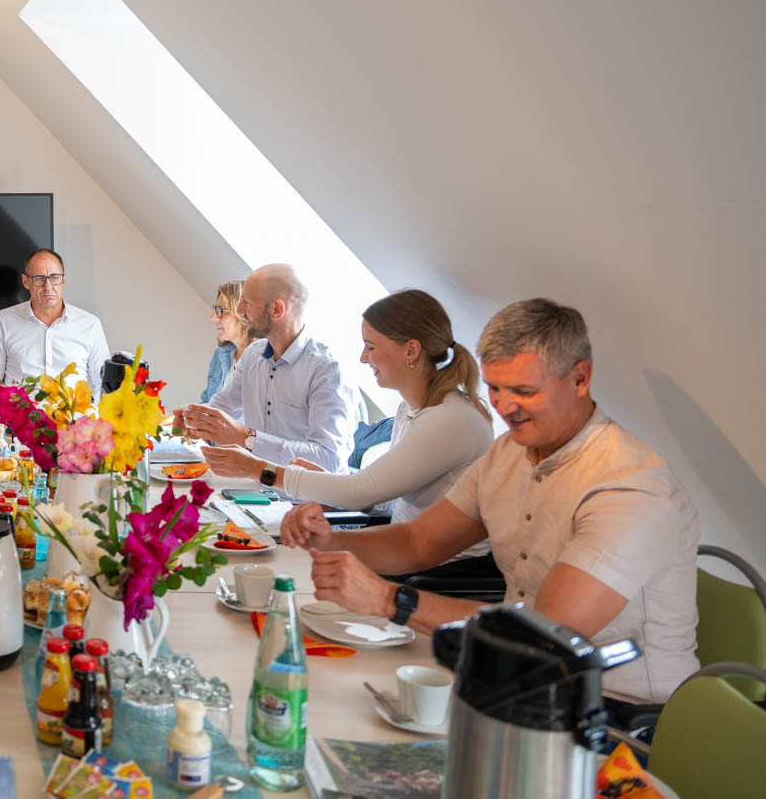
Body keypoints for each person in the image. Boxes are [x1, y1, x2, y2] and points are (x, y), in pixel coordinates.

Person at [283, 298, 699, 704]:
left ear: (580, 379)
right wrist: (330, 541)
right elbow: (418, 543)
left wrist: (388, 599)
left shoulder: (630, 487)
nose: (506, 407)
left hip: (613, 709)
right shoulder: (509, 454)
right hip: (517, 676)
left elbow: (546, 631)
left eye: (525, 391)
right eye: (496, 388)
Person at [202, 289, 497, 573]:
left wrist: (262, 470)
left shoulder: (450, 419)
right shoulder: (411, 409)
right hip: (398, 549)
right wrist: (328, 484)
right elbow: (385, 497)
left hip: (440, 571)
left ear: (411, 350)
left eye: (371, 347)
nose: (363, 358)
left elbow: (359, 493)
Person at [177, 263, 359, 472]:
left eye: (247, 302)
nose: (240, 310)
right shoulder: (253, 356)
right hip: (255, 490)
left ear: (276, 309)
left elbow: (329, 459)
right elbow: (222, 407)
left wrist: (248, 439)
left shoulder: (327, 370)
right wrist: (192, 419)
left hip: (303, 499)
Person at [0, 248, 110, 388]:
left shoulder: (90, 325)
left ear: (63, 280)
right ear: (25, 282)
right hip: (21, 409)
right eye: (39, 279)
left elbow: (103, 385)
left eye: (54, 277)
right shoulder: (3, 321)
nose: (48, 286)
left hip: (73, 410)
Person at [199, 279, 251, 403]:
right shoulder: (220, 354)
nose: (213, 317)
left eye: (221, 310)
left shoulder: (263, 364)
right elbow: (207, 402)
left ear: (243, 314)